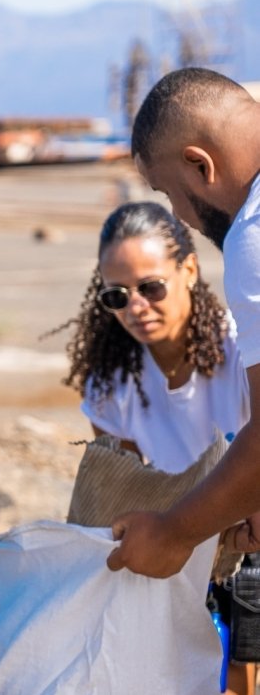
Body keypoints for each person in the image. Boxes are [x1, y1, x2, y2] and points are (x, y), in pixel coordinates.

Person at [56, 201, 252, 693]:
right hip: (176, 554)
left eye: (151, 287)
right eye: (117, 297)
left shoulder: (243, 351)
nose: (136, 307)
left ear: (189, 269)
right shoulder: (110, 383)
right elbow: (118, 496)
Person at [107, 67, 260, 580]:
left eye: (168, 193)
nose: (181, 215)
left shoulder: (253, 236)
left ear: (199, 165)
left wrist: (174, 533)